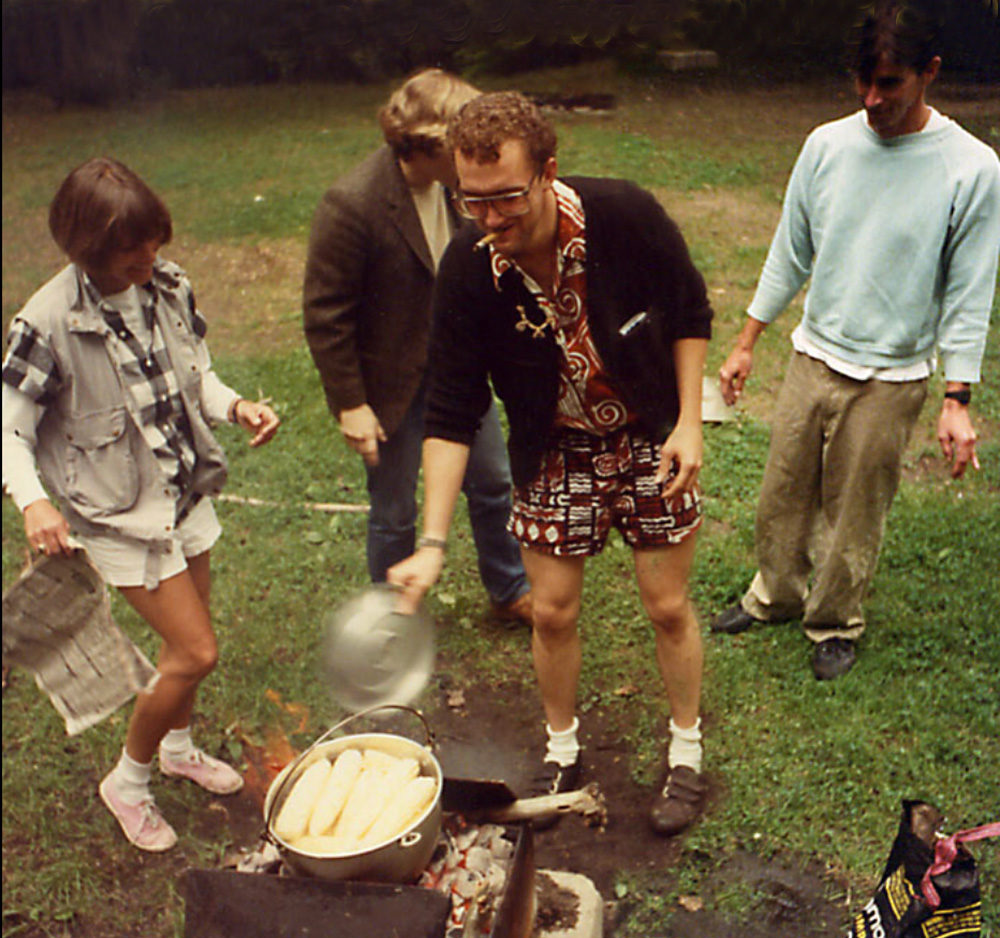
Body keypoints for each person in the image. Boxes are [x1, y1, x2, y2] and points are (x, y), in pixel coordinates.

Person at [389, 91, 714, 837]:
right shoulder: (469, 269)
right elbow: (451, 409)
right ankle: (563, 752)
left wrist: (690, 424)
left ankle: (687, 753)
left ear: (546, 171)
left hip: (647, 433)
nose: (492, 219)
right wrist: (433, 544)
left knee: (666, 606)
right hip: (557, 446)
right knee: (554, 611)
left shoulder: (624, 217)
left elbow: (690, 311)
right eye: (473, 203)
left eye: (507, 197)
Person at [710, 0, 1000, 680]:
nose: (872, 99)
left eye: (890, 84)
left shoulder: (972, 168)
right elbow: (791, 250)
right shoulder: (827, 145)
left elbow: (969, 292)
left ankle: (834, 620)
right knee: (783, 490)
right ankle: (774, 595)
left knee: (852, 509)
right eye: (862, 82)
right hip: (815, 354)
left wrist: (957, 398)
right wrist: (748, 339)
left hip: (892, 373)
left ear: (928, 73)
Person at [1, 157, 280, 852]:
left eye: (154, 240)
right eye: (131, 249)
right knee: (195, 651)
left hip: (182, 495)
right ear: (86, 248)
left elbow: (198, 376)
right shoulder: (45, 322)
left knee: (183, 647)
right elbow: (8, 430)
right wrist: (34, 504)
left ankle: (179, 748)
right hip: (117, 517)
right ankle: (127, 782)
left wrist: (235, 406)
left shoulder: (169, 285)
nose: (149, 258)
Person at [303, 69, 531, 624]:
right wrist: (351, 404)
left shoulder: (458, 191)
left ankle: (509, 589)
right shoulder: (353, 203)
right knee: (395, 510)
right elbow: (325, 315)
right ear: (429, 146)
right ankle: (391, 615)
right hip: (391, 384)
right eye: (464, 146)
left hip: (458, 373)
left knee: (494, 482)